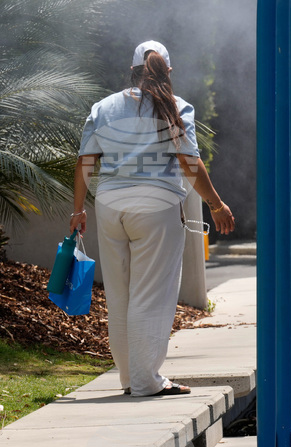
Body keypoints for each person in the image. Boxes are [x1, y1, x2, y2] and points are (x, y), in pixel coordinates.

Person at [69, 40, 235, 397]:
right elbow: (189, 162)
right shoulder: (177, 107)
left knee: (119, 295)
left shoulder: (103, 107)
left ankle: (130, 378)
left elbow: (85, 160)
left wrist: (78, 209)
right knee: (151, 295)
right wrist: (216, 204)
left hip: (110, 209)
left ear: (132, 70)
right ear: (168, 71)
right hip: (156, 211)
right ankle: (146, 381)